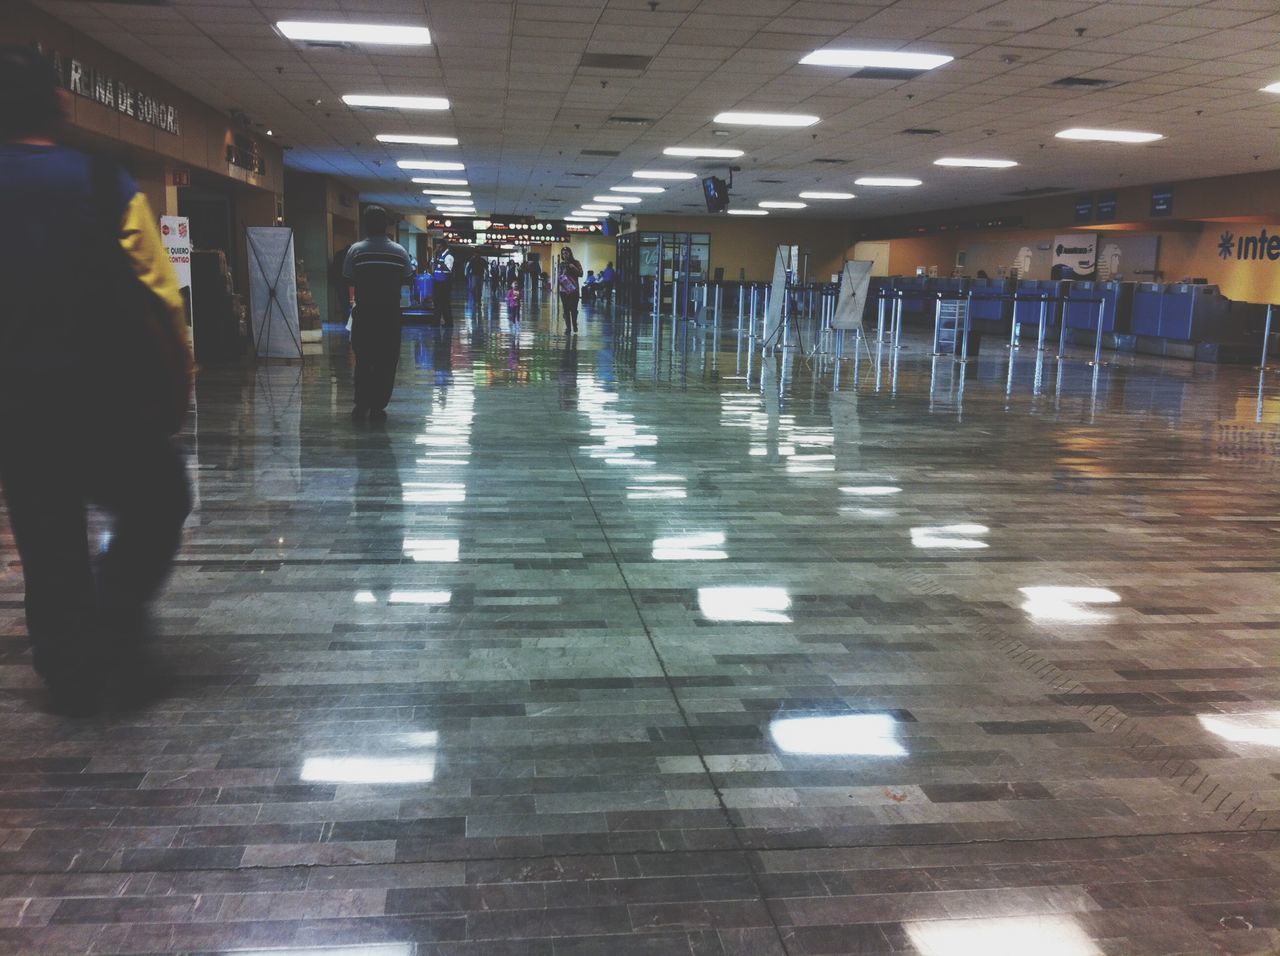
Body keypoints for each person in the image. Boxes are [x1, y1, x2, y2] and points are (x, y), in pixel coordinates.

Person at [0, 46, 193, 716]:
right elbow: (160, 297)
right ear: (59, 103)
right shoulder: (101, 182)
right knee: (158, 498)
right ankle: (114, 611)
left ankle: (67, 666)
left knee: (45, 529)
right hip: (105, 393)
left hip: (16, 404)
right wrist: (178, 386)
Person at [343, 205, 413, 421]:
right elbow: (408, 278)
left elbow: (348, 278)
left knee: (364, 359)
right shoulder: (399, 252)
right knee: (386, 360)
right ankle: (378, 405)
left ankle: (361, 403)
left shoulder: (355, 251)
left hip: (364, 314)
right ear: (386, 226)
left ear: (365, 226)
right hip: (389, 316)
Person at [557, 245, 583, 334]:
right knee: (566, 309)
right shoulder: (561, 264)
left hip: (574, 290)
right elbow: (559, 277)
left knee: (573, 308)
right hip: (564, 290)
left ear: (570, 253)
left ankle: (574, 324)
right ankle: (568, 328)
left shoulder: (576, 262)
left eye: (566, 253)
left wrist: (574, 267)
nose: (565, 255)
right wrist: (563, 273)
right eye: (563, 254)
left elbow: (581, 274)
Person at [431, 238, 455, 325]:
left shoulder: (448, 256)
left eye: (440, 247)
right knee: (437, 302)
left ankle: (448, 322)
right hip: (437, 282)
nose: (438, 249)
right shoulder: (438, 256)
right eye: (437, 247)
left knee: (445, 303)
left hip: (445, 283)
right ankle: (436, 321)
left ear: (444, 247)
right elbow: (433, 268)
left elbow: (448, 269)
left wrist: (438, 263)